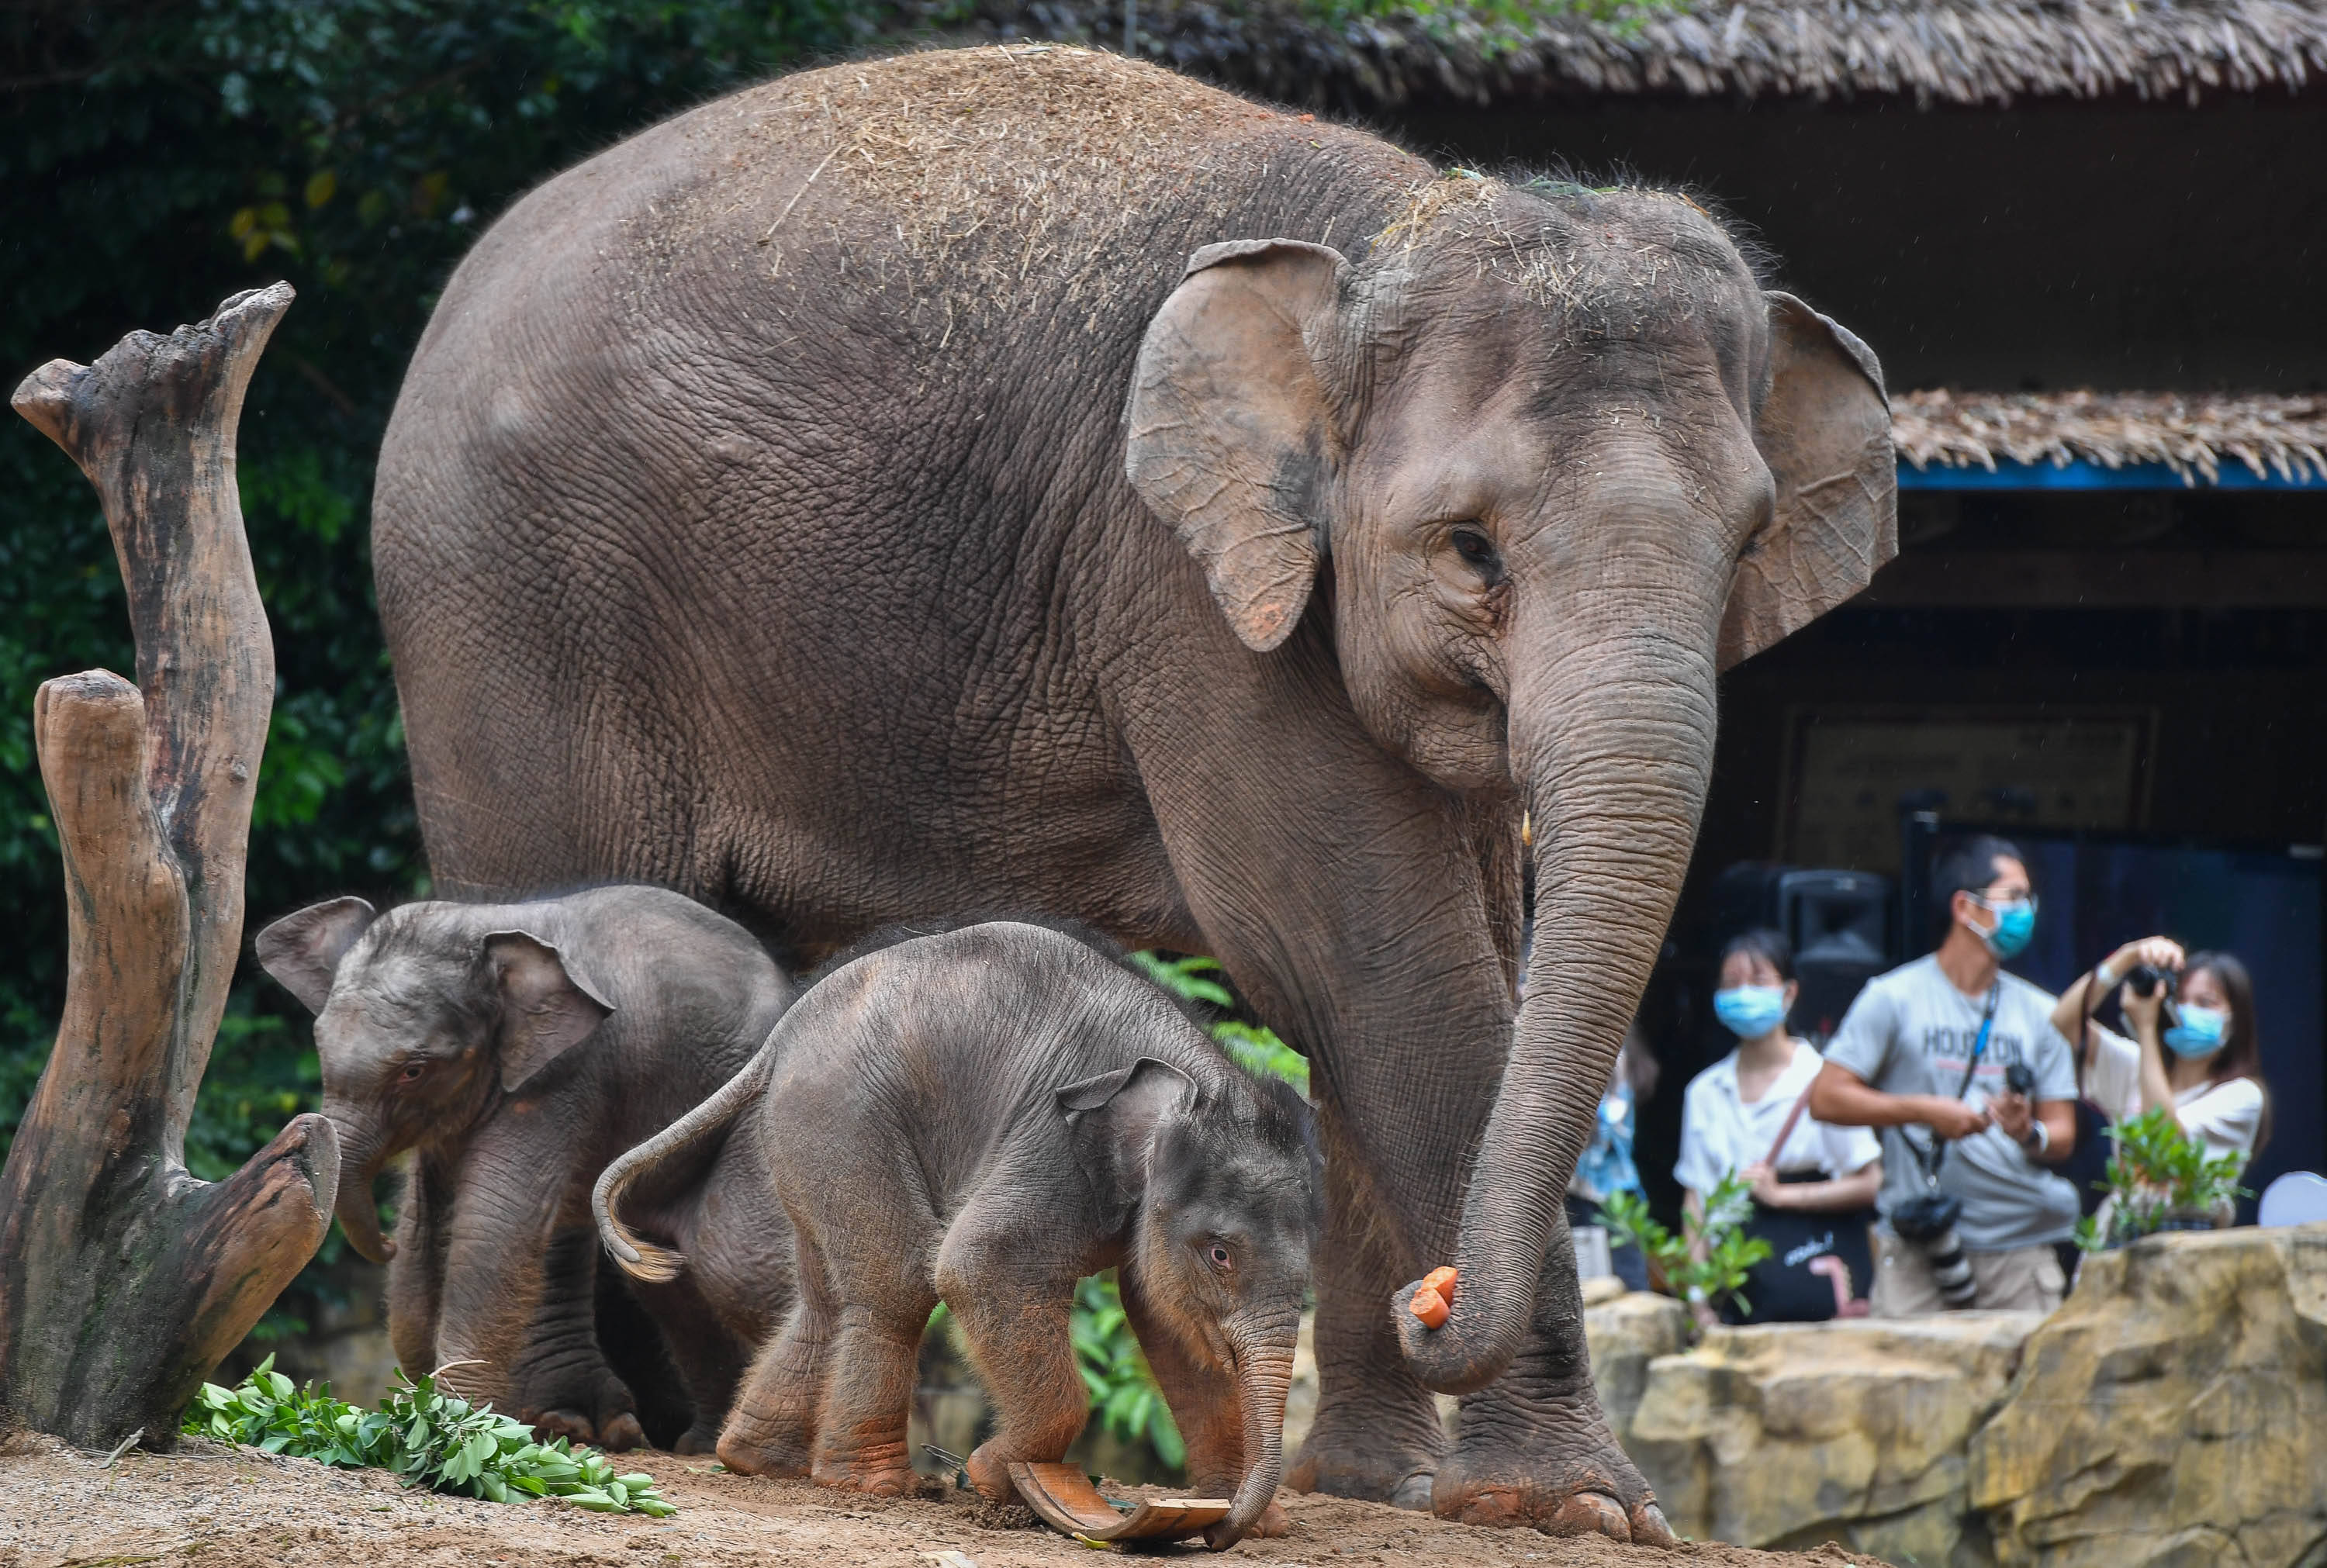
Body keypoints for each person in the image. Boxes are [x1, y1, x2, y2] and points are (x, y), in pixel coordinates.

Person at [1810, 836, 2082, 1315]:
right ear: (1965, 907)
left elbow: (2062, 1135)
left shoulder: (2044, 1013)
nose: (2028, 912)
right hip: (1918, 1243)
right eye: (2014, 897)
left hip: (2019, 1247)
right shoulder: (1893, 997)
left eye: (2028, 899)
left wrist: (2027, 1131)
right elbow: (1827, 1098)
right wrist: (1921, 1111)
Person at [1675, 930, 1882, 1321]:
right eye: (1732, 984)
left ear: (1789, 993)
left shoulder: (1822, 1080)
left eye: (1759, 981)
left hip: (1818, 1280)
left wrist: (1783, 1196)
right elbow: (1695, 1202)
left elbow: (1871, 1182)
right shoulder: (1703, 1092)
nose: (1745, 994)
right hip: (1736, 1289)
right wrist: (1698, 1299)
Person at [2052, 942, 2270, 1176]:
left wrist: (2147, 1029)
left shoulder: (2241, 1096)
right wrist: (2127, 957)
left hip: (2185, 1214)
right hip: (2124, 1212)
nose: (2187, 1010)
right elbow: (2065, 1020)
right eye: (2179, 1000)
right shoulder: (2136, 1063)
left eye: (2205, 1003)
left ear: (2235, 1021)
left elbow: (2164, 1144)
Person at [1568, 1024, 1658, 1293]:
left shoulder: (1614, 1055)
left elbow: (1606, 1125)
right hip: (1580, 1196)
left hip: (1608, 1197)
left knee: (1627, 1294)